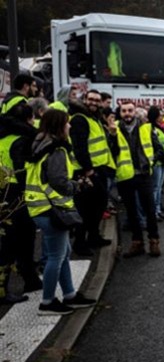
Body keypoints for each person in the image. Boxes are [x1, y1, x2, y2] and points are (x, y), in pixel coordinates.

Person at [24, 109, 97, 315]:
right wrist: (77, 185)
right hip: (51, 209)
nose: (70, 126)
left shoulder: (40, 143)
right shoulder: (57, 149)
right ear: (59, 125)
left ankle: (70, 295)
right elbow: (58, 181)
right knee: (56, 257)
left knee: (62, 254)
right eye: (67, 123)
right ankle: (47, 302)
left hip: (39, 207)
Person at [0, 104, 43, 303]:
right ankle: (12, 286)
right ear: (28, 119)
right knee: (21, 241)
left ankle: (29, 279)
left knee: (8, 242)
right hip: (16, 196)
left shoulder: (3, 139)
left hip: (3, 192)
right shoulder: (22, 141)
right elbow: (22, 170)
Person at [110, 101, 161, 257]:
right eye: (124, 111)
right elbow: (112, 152)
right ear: (120, 112)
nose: (127, 114)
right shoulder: (115, 129)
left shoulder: (146, 127)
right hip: (125, 175)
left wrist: (150, 162)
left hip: (143, 174)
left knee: (150, 210)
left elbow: (158, 148)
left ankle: (154, 241)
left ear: (134, 112)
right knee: (131, 211)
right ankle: (137, 242)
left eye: (130, 110)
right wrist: (112, 136)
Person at [69, 89, 116, 256]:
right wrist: (88, 171)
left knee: (98, 206)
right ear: (84, 100)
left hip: (99, 169)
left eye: (97, 100)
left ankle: (94, 237)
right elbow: (79, 147)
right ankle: (80, 243)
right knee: (85, 209)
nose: (94, 103)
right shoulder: (80, 119)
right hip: (86, 172)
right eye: (91, 100)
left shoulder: (93, 119)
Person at [144, 106, 164, 220]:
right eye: (160, 115)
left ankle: (158, 210)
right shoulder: (151, 128)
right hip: (158, 162)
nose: (162, 117)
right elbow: (156, 146)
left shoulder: (160, 127)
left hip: (163, 161)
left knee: (159, 188)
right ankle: (153, 212)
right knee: (155, 188)